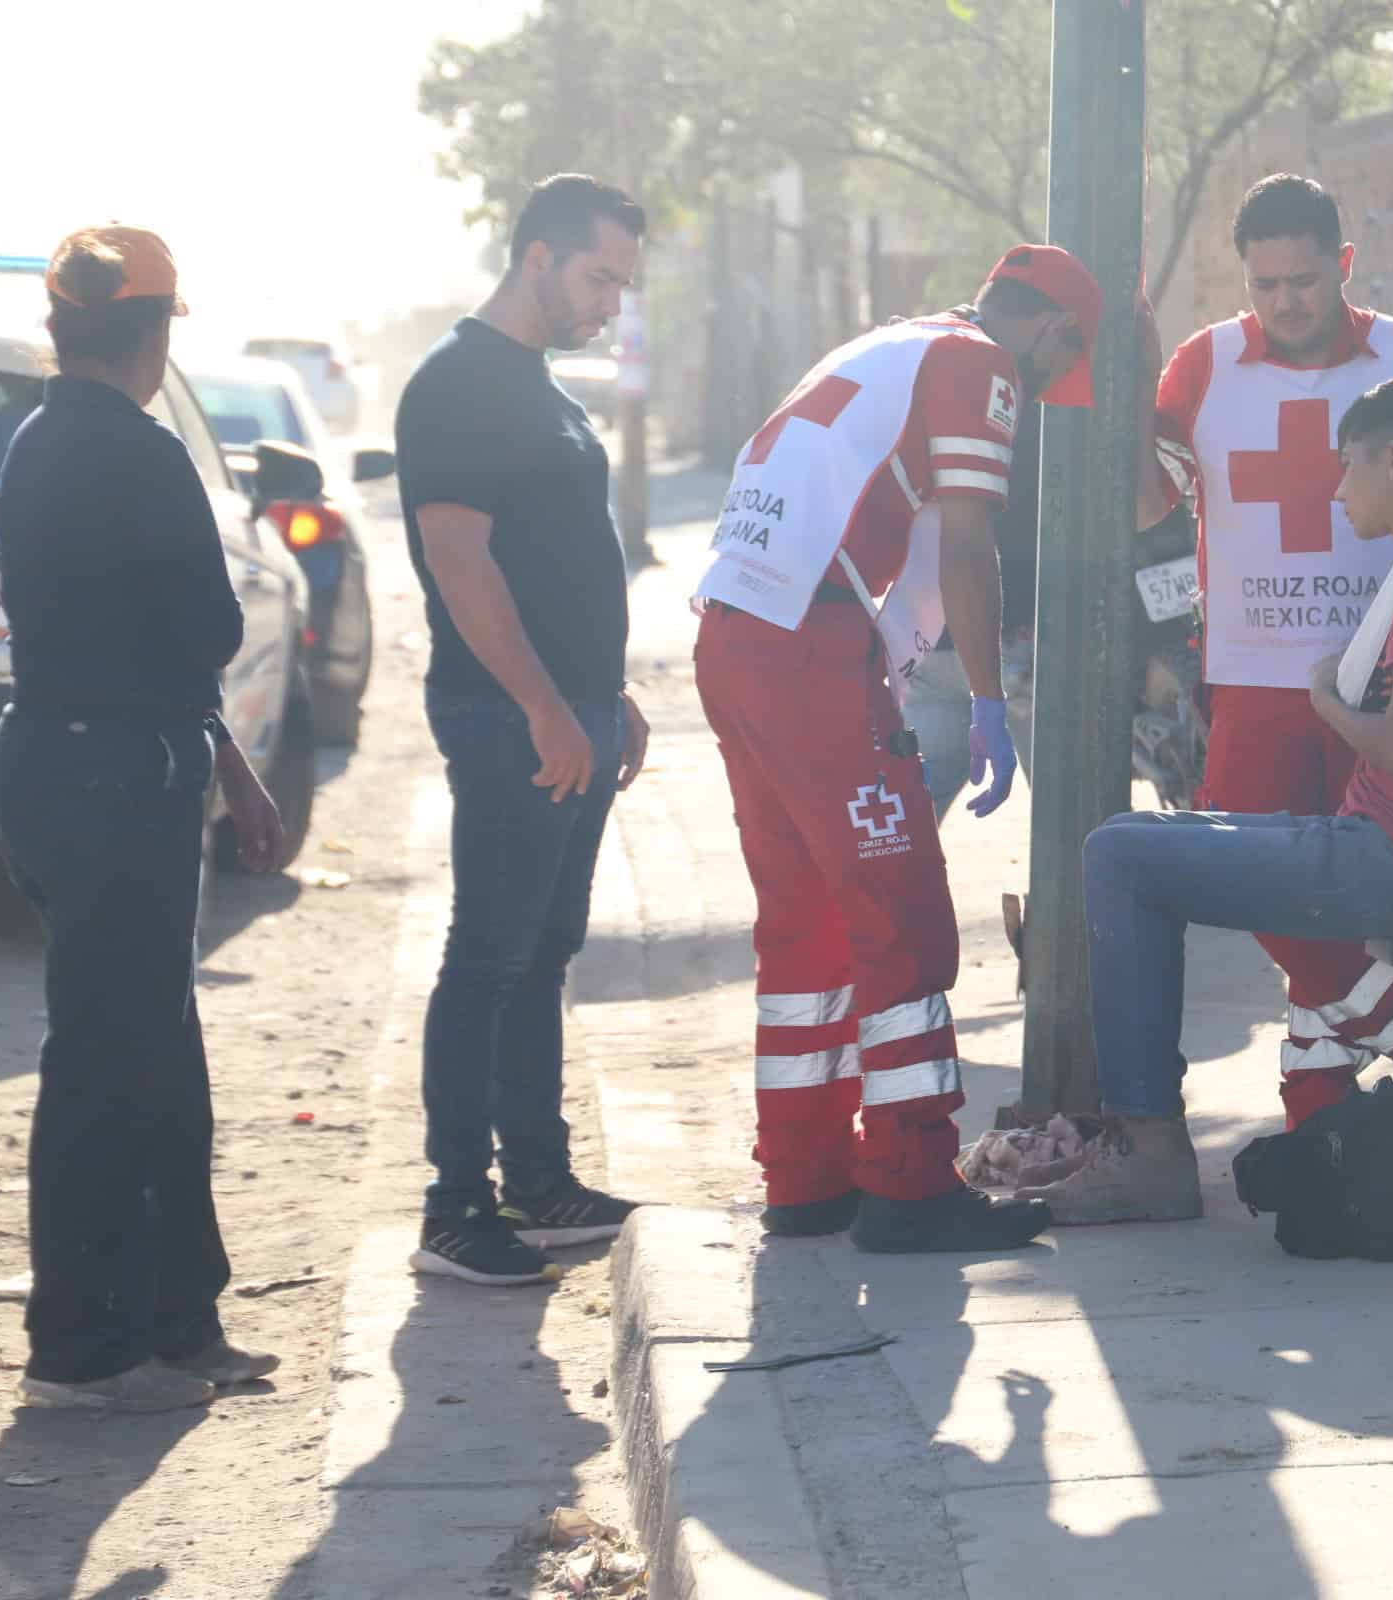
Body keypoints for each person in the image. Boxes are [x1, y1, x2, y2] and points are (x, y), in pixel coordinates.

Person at [1023, 375, 1393, 1223]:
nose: (1338, 491)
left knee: (1118, 857)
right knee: (1136, 836)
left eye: (1347, 468)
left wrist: (1328, 707)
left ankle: (1150, 1150)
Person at [693, 244, 1104, 1254]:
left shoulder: (891, 344)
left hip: (736, 630)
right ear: (1052, 331)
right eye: (1062, 364)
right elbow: (966, 543)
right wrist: (991, 697)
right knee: (901, 905)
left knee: (804, 920)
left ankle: (806, 1175)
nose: (1043, 389)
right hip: (805, 646)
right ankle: (912, 1180)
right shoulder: (983, 365)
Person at [1144, 174, 1393, 1129]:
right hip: (1252, 680)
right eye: (1264, 284)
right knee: (1252, 884)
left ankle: (1317, 1102)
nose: (1285, 303)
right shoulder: (1202, 366)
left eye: (1305, 280)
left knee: (1339, 899)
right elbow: (1146, 503)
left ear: (1343, 265)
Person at [0, 227, 284, 1411]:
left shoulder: (34, 442)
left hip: (52, 767)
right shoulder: (148, 453)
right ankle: (75, 1336)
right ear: (154, 337)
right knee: (114, 1054)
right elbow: (210, 633)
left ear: (63, 329)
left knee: (143, 1047)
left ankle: (168, 1315)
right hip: (118, 786)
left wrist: (228, 762)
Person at [396, 175, 653, 1287]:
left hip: (574, 713)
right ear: (537, 257)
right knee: (488, 955)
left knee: (544, 952)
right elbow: (462, 560)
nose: (610, 304)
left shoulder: (540, 387)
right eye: (600, 277)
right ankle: (455, 1203)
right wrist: (547, 707)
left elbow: (561, 553)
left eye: (622, 285)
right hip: (508, 718)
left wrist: (607, 694)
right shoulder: (459, 383)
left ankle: (538, 1181)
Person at [898, 396, 1039, 817]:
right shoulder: (1035, 410)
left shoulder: (912, 410)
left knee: (910, 815)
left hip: (927, 645)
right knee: (1071, 824)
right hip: (1013, 643)